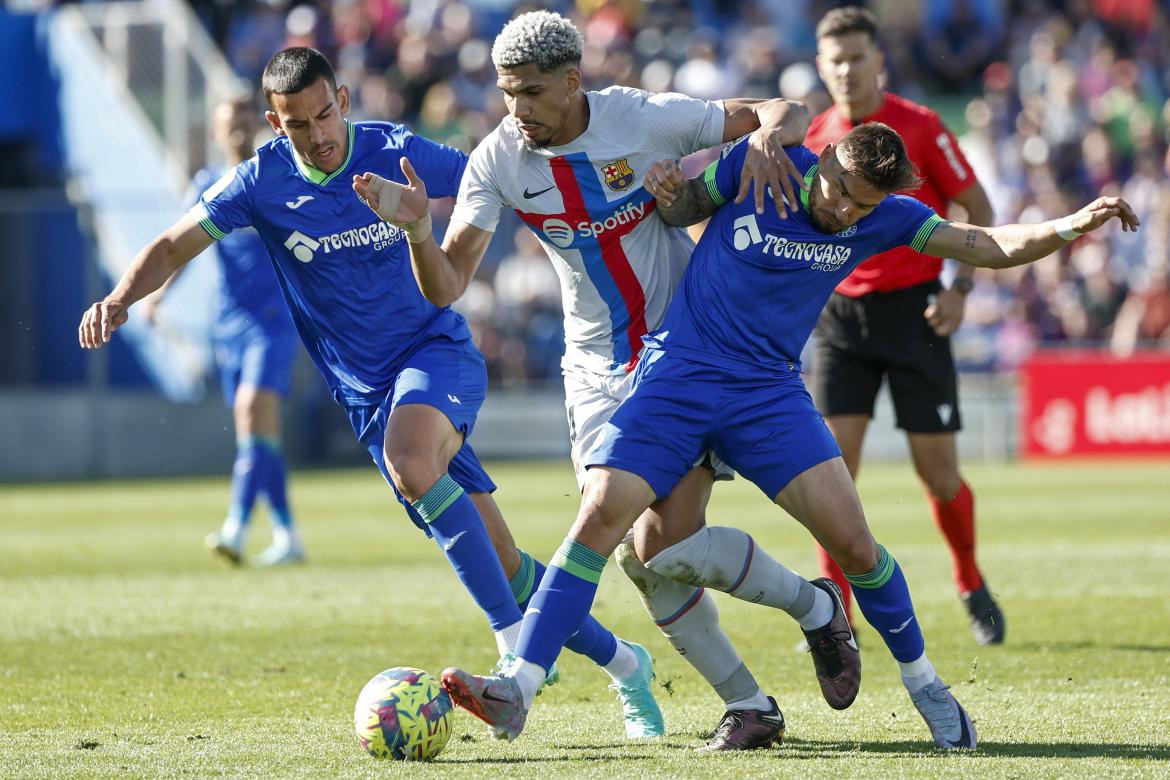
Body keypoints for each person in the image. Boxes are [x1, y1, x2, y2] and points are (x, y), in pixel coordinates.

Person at [437, 122, 1139, 749]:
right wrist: (669, 186)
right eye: (839, 191)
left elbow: (985, 245)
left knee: (857, 546)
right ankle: (518, 688)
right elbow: (683, 208)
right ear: (825, 156)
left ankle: (926, 685)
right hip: (678, 376)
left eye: (861, 206)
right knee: (610, 526)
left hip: (767, 394)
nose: (843, 211)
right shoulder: (762, 164)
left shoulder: (884, 217)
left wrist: (1075, 222)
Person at [77, 46, 662, 739]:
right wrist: (119, 297)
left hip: (435, 354)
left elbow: (493, 173)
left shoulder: (392, 150)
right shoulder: (257, 183)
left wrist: (600, 207)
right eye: (299, 124)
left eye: (326, 113)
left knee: (413, 463)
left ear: (345, 100)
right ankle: (629, 666)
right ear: (276, 122)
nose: (319, 133)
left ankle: (510, 648)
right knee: (505, 562)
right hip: (367, 397)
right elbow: (175, 244)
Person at [353, 11, 859, 751]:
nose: (515, 109)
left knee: (638, 538)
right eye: (505, 92)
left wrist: (762, 136)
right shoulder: (499, 160)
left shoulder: (640, 118)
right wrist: (419, 234)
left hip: (681, 357)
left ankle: (526, 681)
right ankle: (773, 671)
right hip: (593, 369)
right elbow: (448, 284)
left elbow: (792, 111)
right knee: (644, 555)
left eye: (529, 92)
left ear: (570, 81)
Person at [806, 6, 1004, 644]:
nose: (845, 69)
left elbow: (978, 206)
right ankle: (836, 610)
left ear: (877, 62)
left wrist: (962, 288)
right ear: (820, 66)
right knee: (829, 477)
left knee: (939, 477)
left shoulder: (919, 126)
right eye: (834, 59)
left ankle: (969, 578)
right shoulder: (813, 137)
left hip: (916, 312)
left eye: (856, 57)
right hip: (841, 320)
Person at [141, 97, 305, 567]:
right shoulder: (209, 184)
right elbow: (183, 246)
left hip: (273, 320)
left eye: (244, 122)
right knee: (258, 433)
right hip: (229, 323)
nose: (237, 131)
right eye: (228, 124)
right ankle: (288, 535)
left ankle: (236, 527)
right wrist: (158, 295)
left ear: (257, 125)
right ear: (216, 133)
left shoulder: (272, 177)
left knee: (253, 410)